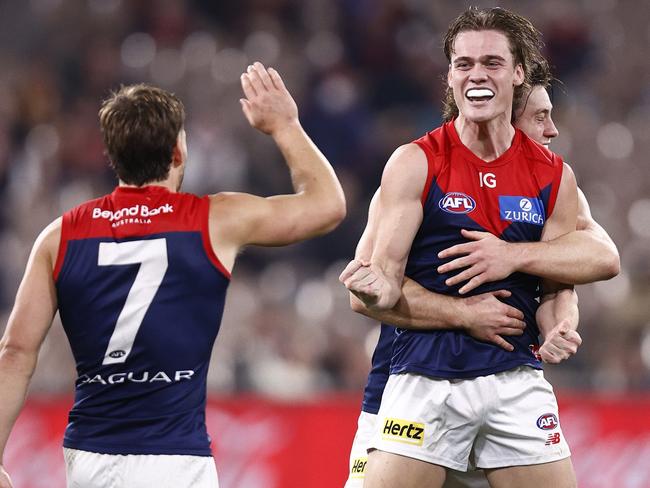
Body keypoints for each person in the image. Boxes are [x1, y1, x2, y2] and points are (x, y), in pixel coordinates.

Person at [0, 62, 346, 488]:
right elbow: (328, 205)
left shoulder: (60, 236)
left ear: (113, 157)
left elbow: (16, 351)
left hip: (91, 460)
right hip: (176, 462)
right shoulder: (213, 220)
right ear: (178, 152)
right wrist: (285, 126)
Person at [340, 7, 611, 488]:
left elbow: (562, 283)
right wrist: (375, 288)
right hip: (425, 376)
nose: (476, 74)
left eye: (491, 62)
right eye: (463, 64)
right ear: (448, 76)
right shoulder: (415, 162)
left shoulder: (553, 175)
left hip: (514, 378)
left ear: (518, 72)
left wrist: (558, 327)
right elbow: (378, 285)